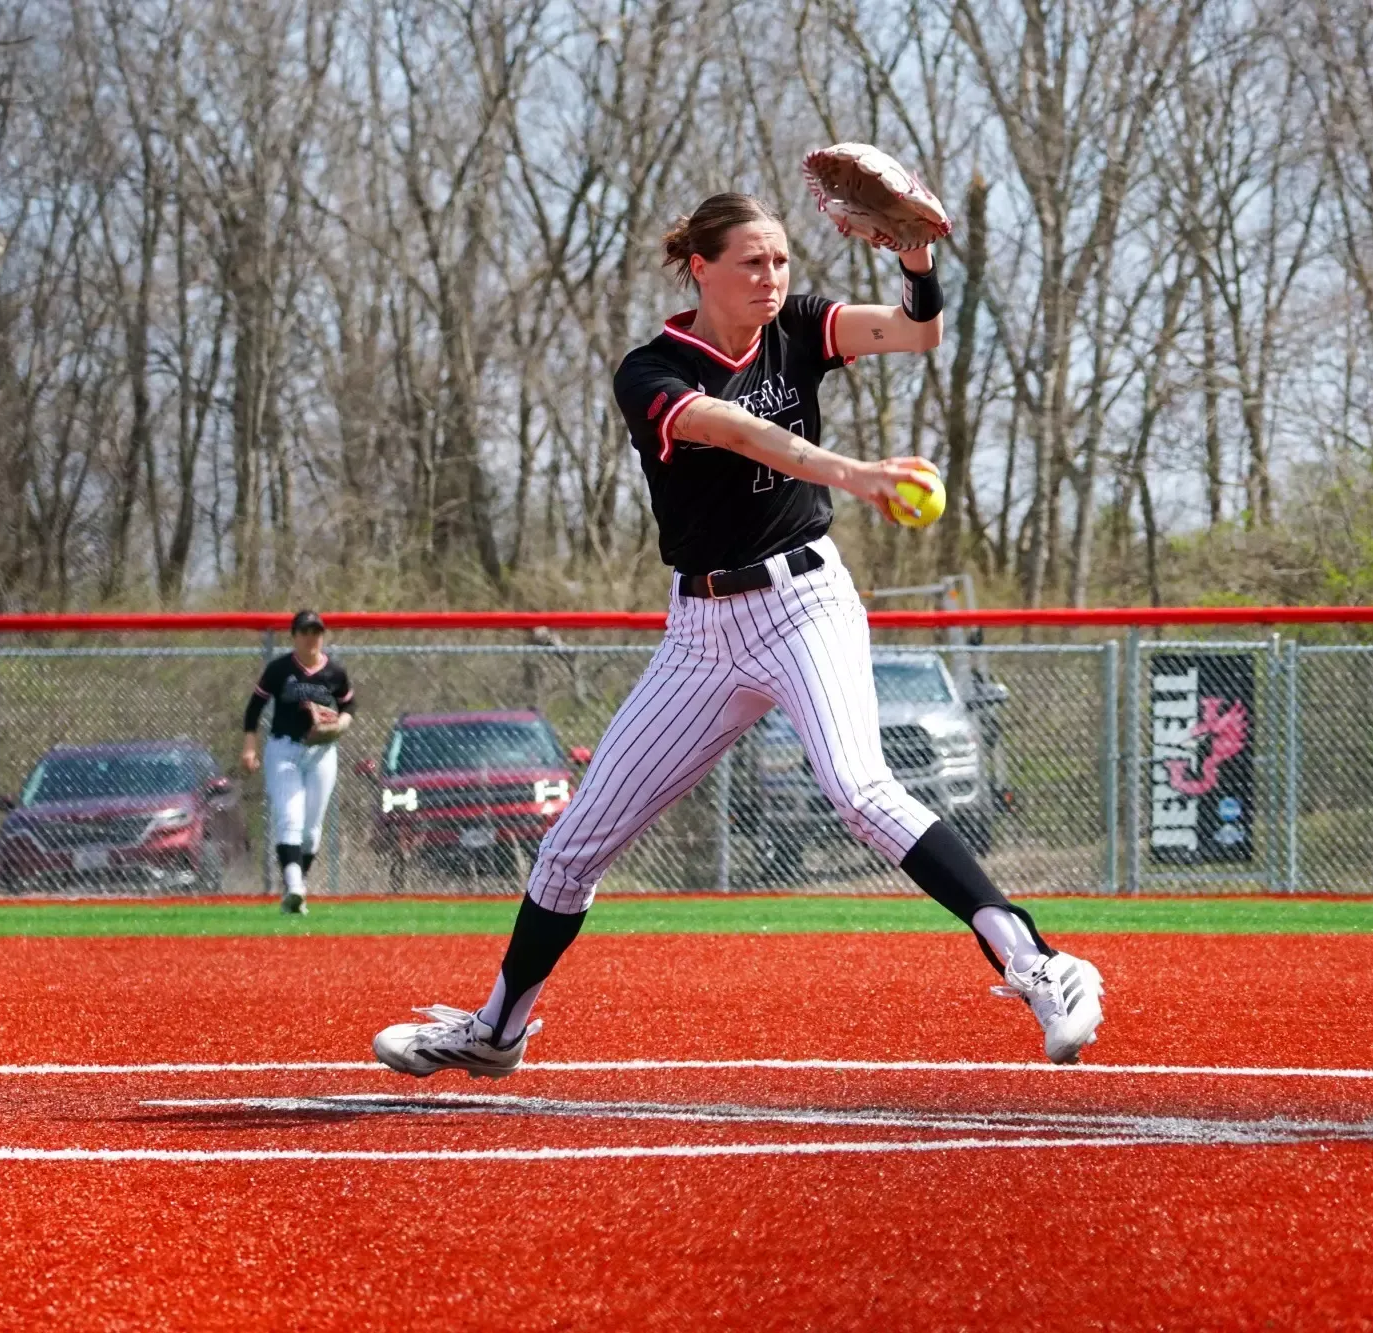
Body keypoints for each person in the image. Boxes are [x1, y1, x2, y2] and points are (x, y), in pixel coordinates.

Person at [373, 191, 1102, 1077]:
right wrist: (851, 471)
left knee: (858, 786)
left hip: (805, 604)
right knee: (573, 848)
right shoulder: (649, 370)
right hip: (702, 630)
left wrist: (915, 258)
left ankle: (1042, 964)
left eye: (783, 259)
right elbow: (736, 429)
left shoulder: (799, 325)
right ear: (701, 268)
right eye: (752, 261)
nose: (772, 277)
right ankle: (495, 1031)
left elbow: (917, 334)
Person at [242, 609, 354, 915]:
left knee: (311, 829)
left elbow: (348, 705)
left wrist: (341, 723)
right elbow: (254, 709)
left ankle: (296, 890)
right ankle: (293, 887)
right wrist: (250, 748)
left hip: (321, 753)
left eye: (316, 631)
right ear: (294, 636)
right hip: (284, 750)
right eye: (305, 631)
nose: (311, 637)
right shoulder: (279, 669)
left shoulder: (334, 672)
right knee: (289, 817)